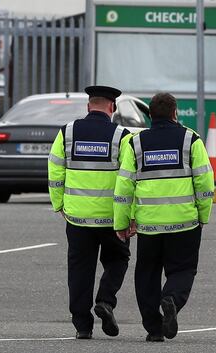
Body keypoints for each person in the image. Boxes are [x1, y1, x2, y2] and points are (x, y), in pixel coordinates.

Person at [113, 92, 214, 342]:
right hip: (184, 222)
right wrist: (203, 215)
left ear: (150, 115)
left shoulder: (136, 143)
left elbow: (124, 186)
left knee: (146, 275)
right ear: (175, 113)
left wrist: (122, 222)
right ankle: (171, 298)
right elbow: (204, 181)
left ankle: (154, 329)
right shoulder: (191, 140)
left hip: (149, 225)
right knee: (183, 269)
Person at [47, 85, 131, 340]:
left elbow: (55, 171)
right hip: (111, 219)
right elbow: (129, 178)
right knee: (118, 260)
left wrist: (59, 204)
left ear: (88, 106)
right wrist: (128, 216)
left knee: (80, 270)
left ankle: (83, 326)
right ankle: (105, 300)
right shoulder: (121, 136)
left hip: (77, 218)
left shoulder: (68, 133)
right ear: (112, 107)